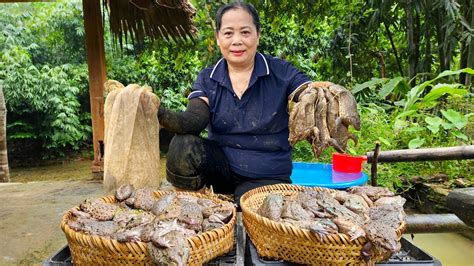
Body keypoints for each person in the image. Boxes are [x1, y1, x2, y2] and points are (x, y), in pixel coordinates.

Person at [158, 2, 312, 205]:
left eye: (245, 32)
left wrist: (321, 92)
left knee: (254, 222)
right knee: (183, 144)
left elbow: (308, 92)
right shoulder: (208, 78)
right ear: (218, 38)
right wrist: (158, 112)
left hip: (266, 175)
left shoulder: (281, 72)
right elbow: (193, 121)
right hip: (222, 171)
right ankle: (191, 213)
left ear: (258, 34)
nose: (237, 41)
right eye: (228, 33)